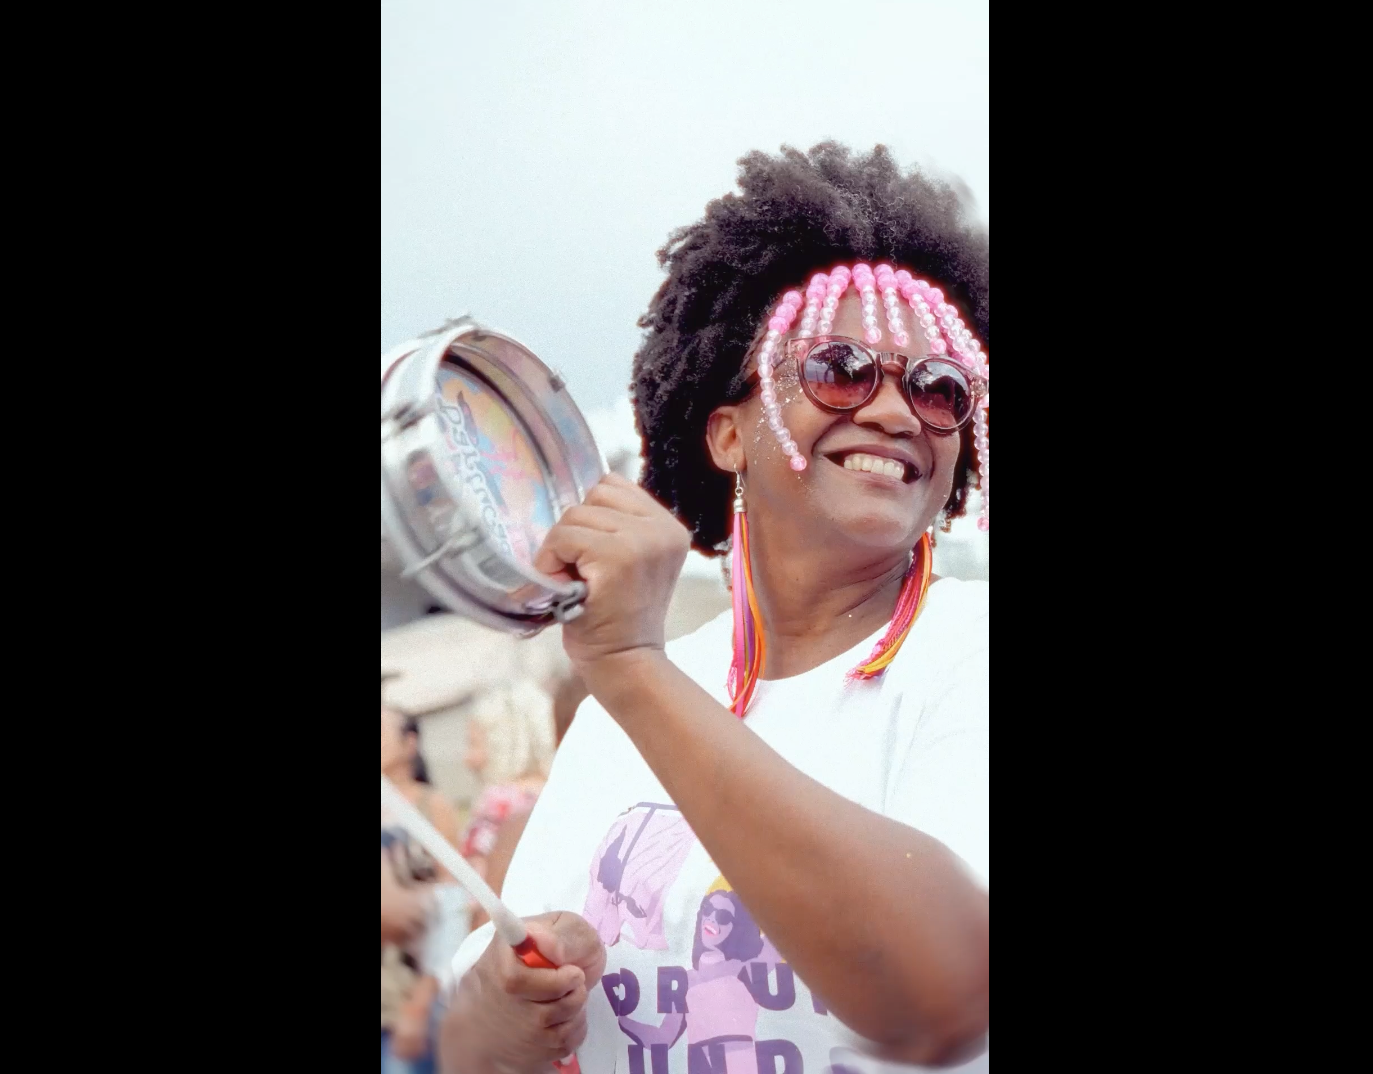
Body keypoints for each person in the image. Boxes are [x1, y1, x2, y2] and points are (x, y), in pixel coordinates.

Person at [440, 142, 990, 1073]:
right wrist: (501, 1012)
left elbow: (943, 997)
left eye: (940, 390)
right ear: (727, 434)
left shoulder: (965, 655)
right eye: (841, 368)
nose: (898, 413)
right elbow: (468, 1045)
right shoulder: (633, 701)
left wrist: (631, 669)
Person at [381, 700, 465, 1074]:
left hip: (413, 990)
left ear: (409, 743)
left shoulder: (432, 806)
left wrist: (421, 1001)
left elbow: (451, 902)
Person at [459, 681, 557, 930]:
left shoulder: (497, 803)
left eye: (474, 744)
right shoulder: (559, 791)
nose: (468, 759)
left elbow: (483, 896)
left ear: (504, 743)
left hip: (511, 932)